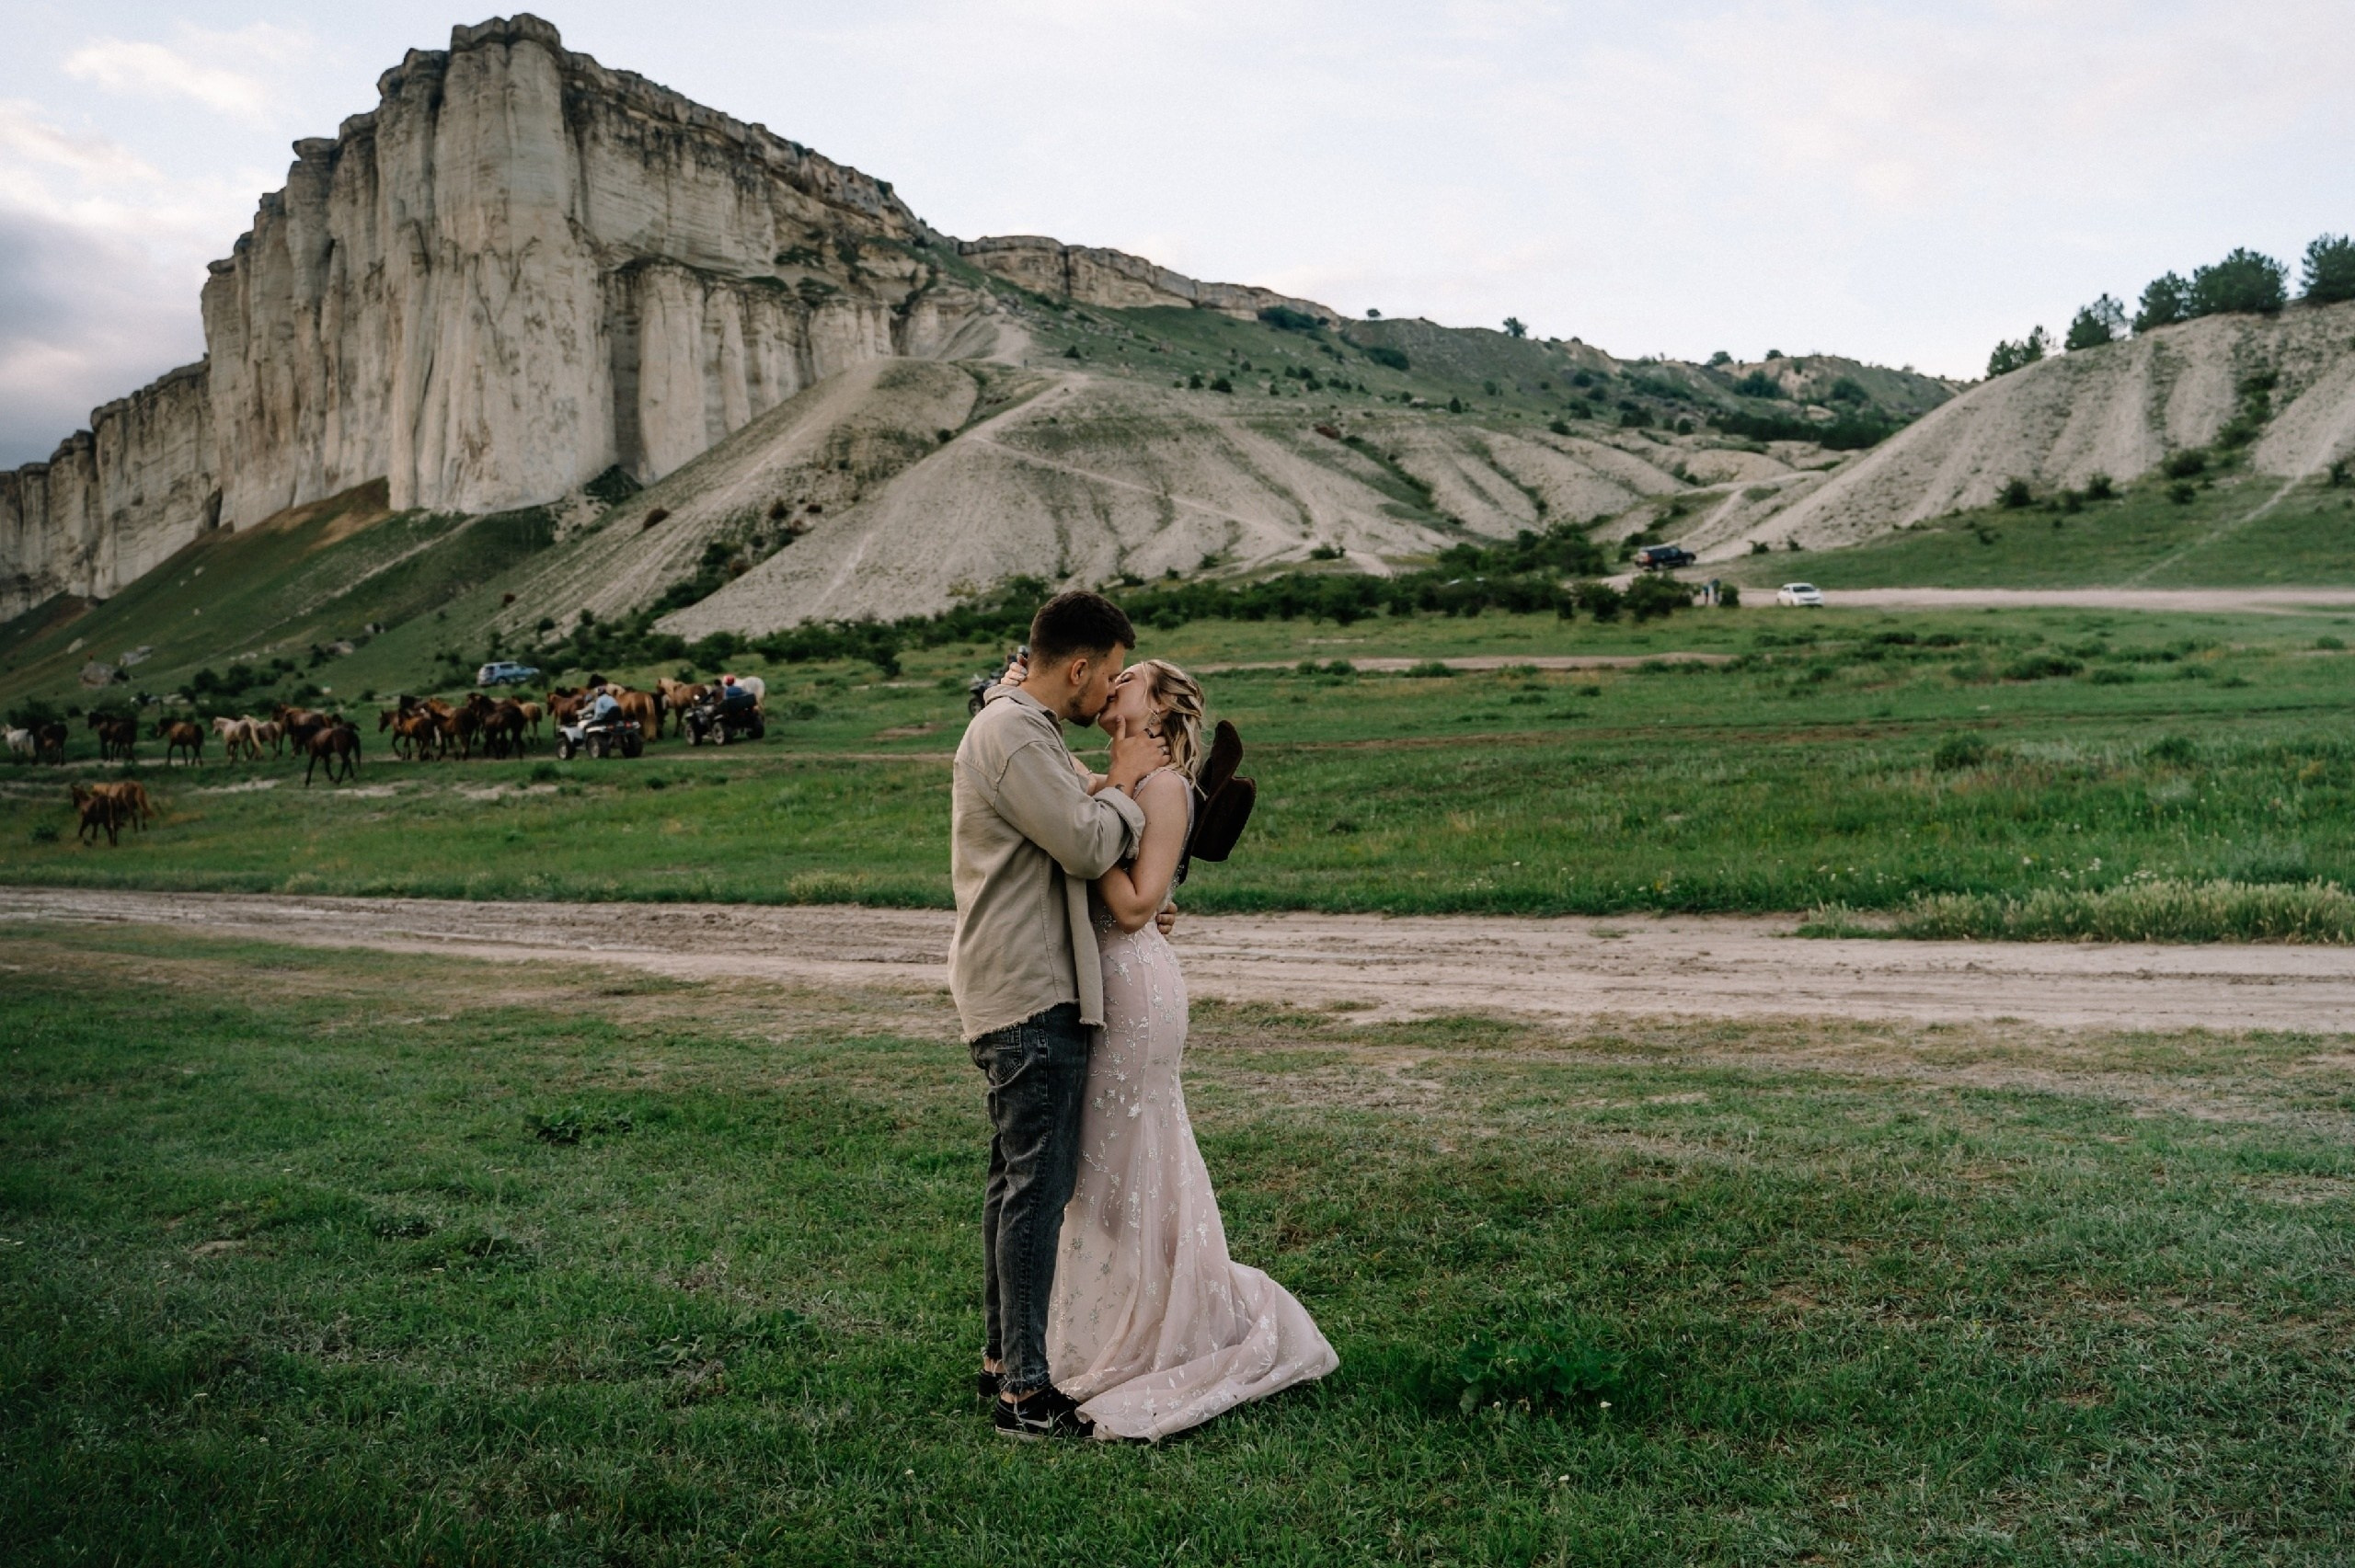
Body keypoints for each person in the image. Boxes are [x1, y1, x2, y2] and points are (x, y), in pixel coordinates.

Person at [1020, 657, 1339, 1441]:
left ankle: (1205, 1318)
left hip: (1136, 991)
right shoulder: (1121, 777)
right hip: (1110, 987)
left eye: (1127, 678)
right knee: (1107, 1171)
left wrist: (1084, 841)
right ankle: (1138, 1320)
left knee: (1126, 1162)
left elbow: (1133, 905)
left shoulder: (1161, 786)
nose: (1111, 686)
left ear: (1160, 706)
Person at [950, 590, 1170, 1440]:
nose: (1108, 694)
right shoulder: (1011, 731)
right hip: (1030, 987)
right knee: (1037, 1189)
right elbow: (1083, 840)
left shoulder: (1020, 729)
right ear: (1077, 668)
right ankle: (1026, 1393)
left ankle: (1005, 1360)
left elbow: (1069, 845)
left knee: (1016, 1180)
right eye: (1108, 676)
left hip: (1023, 979)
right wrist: (1124, 788)